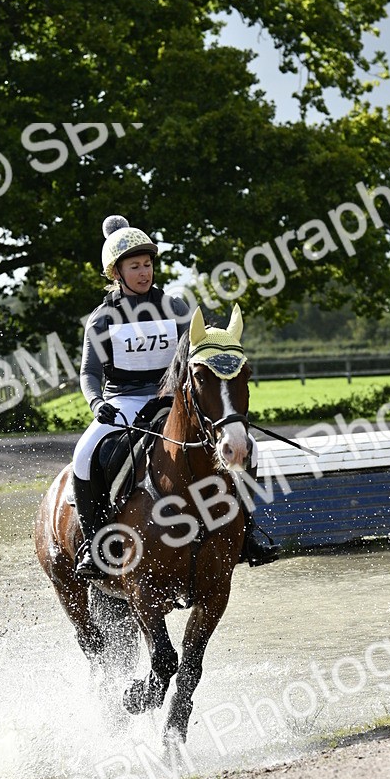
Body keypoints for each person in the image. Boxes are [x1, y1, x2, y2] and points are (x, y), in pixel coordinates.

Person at [72, 215, 278, 579]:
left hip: (175, 399)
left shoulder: (176, 308)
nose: (143, 272)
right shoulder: (103, 319)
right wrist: (96, 404)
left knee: (252, 449)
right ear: (116, 273)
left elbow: (199, 350)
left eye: (147, 264)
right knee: (85, 454)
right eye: (134, 266)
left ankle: (247, 535)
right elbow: (89, 374)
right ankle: (93, 544)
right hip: (123, 402)